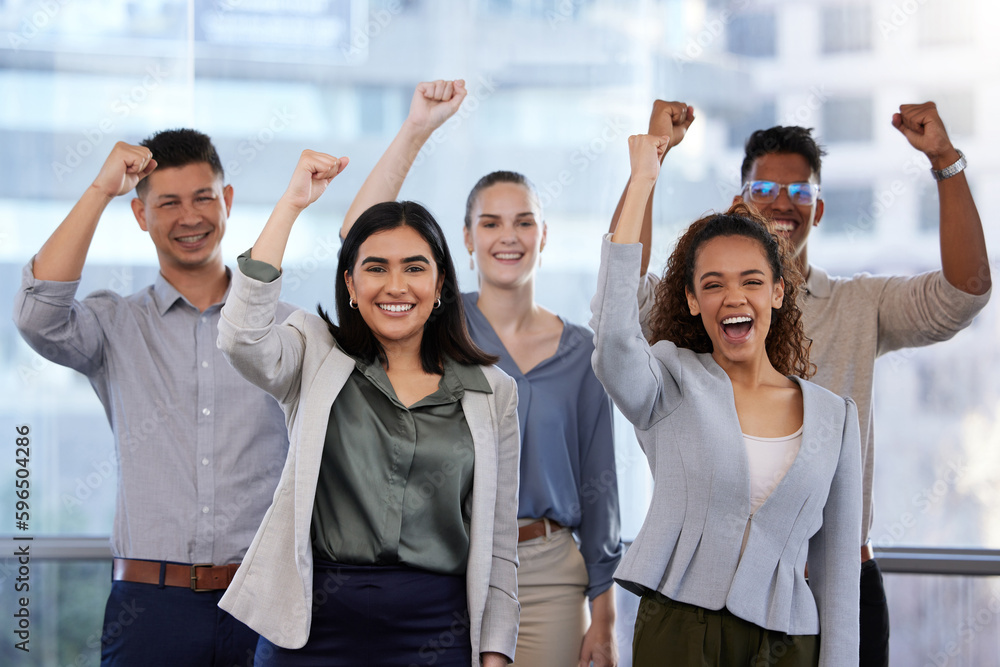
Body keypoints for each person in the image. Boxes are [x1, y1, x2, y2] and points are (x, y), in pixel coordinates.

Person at [613, 101, 992, 666]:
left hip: (837, 578)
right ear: (740, 199)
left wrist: (945, 160)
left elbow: (965, 293)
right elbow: (623, 300)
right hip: (714, 588)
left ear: (819, 211)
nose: (783, 202)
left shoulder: (861, 306)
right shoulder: (706, 312)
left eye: (801, 192)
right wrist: (649, 163)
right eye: (765, 187)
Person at [341, 80, 624, 666]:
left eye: (524, 222)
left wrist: (606, 615)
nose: (508, 237)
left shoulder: (582, 353)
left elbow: (602, 487)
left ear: (543, 236)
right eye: (490, 223)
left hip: (548, 572)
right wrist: (417, 127)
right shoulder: (435, 326)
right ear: (466, 240)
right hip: (445, 563)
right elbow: (357, 238)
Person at [215, 149, 520, 667]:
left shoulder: (494, 391)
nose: (396, 286)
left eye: (414, 268)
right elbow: (242, 338)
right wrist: (292, 204)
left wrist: (496, 655)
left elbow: (499, 541)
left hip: (436, 628)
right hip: (312, 626)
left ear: (440, 284)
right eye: (375, 268)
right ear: (351, 286)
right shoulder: (313, 352)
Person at [13, 131, 293, 665]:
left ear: (227, 202)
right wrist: (101, 189)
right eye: (168, 203)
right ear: (141, 216)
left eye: (203, 198)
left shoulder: (283, 328)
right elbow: (37, 315)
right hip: (148, 608)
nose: (189, 217)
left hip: (262, 602)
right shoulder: (114, 324)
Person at [593, 132, 862, 666]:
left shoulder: (836, 417)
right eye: (713, 284)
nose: (733, 297)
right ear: (692, 300)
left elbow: (836, 574)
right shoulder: (669, 379)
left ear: (778, 293)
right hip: (678, 628)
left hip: (788, 639)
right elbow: (612, 336)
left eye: (752, 281)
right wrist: (644, 181)